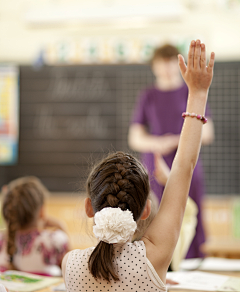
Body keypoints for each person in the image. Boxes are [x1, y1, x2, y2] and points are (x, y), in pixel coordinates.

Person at [62, 39, 215, 292]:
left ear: (89, 207)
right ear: (146, 209)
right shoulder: (153, 258)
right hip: (156, 169)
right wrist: (198, 92)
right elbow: (184, 165)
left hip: (152, 170)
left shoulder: (69, 264)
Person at [128, 43, 215, 258]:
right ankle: (156, 264)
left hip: (187, 166)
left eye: (169, 62)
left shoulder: (191, 91)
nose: (165, 68)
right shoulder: (147, 95)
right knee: (153, 217)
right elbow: (135, 137)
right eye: (161, 63)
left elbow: (207, 132)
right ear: (154, 66)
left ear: (178, 64)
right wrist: (157, 143)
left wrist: (178, 140)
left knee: (190, 216)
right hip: (154, 169)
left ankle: (192, 262)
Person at [0, 176, 70, 276]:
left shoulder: (2, 240)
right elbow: (72, 270)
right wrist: (62, 227)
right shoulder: (54, 240)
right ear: (41, 212)